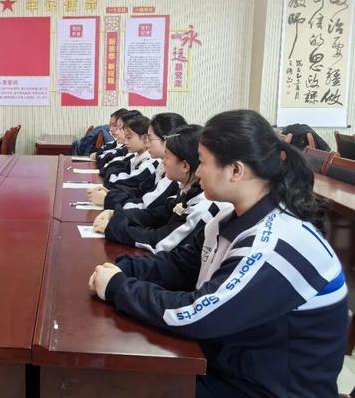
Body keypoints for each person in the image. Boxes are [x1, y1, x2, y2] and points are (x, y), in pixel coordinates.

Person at [88, 110, 347, 397]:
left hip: (266, 390)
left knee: (119, 384)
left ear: (235, 171)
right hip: (231, 364)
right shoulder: (227, 220)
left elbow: (197, 315)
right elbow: (181, 265)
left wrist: (119, 288)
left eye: (203, 162)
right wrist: (123, 269)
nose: (197, 172)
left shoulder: (275, 245)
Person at [93, 125, 228, 253]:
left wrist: (115, 228)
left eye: (167, 157)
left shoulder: (203, 207)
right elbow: (158, 215)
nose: (163, 161)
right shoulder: (187, 189)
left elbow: (162, 241)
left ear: (185, 165)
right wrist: (117, 214)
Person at [102, 112, 187, 210]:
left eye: (150, 139)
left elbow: (148, 205)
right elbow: (141, 191)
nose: (147, 142)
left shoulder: (172, 175)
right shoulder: (161, 166)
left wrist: (108, 199)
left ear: (167, 140)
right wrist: (111, 196)